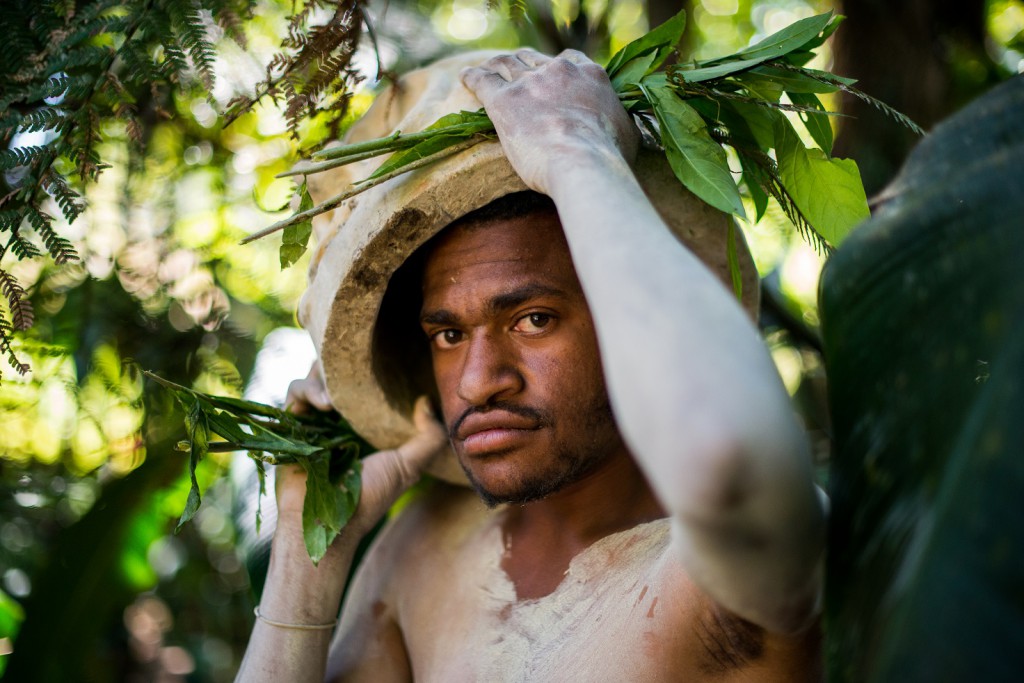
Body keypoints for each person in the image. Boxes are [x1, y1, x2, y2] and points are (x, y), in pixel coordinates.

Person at [236, 48, 826, 682]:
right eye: (449, 334)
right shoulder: (425, 549)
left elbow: (725, 457)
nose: (479, 381)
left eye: (534, 319)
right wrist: (306, 553)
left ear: (624, 314)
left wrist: (575, 151)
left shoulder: (730, 565)